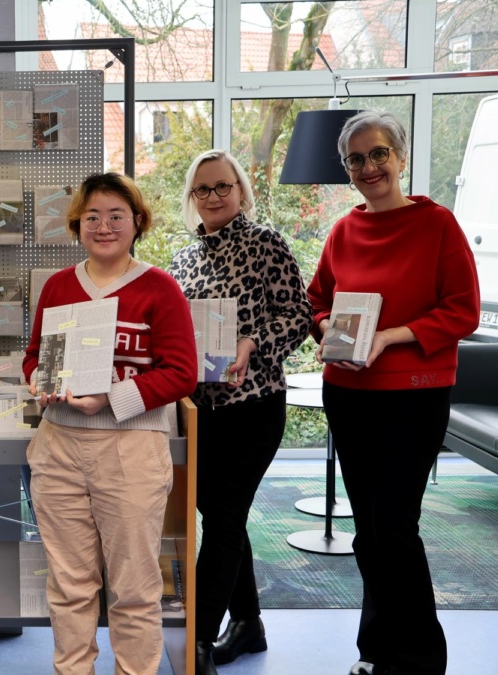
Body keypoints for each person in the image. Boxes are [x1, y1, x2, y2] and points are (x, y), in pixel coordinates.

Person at [308, 110, 479, 675]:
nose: (368, 166)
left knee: (395, 528)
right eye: (356, 159)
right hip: (349, 393)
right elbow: (319, 302)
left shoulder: (438, 226)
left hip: (414, 394)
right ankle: (376, 649)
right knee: (367, 533)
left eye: (379, 153)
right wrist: (333, 332)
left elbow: (462, 311)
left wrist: (390, 337)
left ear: (400, 157)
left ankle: (421, 658)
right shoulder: (343, 230)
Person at [23, 172, 198, 675]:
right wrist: (42, 382)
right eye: (92, 217)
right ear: (78, 224)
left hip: (130, 449)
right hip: (58, 446)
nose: (104, 226)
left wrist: (110, 398)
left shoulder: (159, 288)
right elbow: (35, 357)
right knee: (69, 582)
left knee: (135, 586)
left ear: (137, 222)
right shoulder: (58, 285)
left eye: (116, 216)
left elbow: (181, 373)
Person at [169, 150, 312, 675]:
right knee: (221, 516)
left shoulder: (266, 243)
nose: (213, 197)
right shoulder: (182, 260)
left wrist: (253, 341)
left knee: (225, 519)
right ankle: (249, 624)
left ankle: (201, 641)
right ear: (192, 198)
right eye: (203, 189)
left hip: (254, 406)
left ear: (241, 190)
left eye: (222, 186)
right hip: (201, 411)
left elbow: (298, 314)